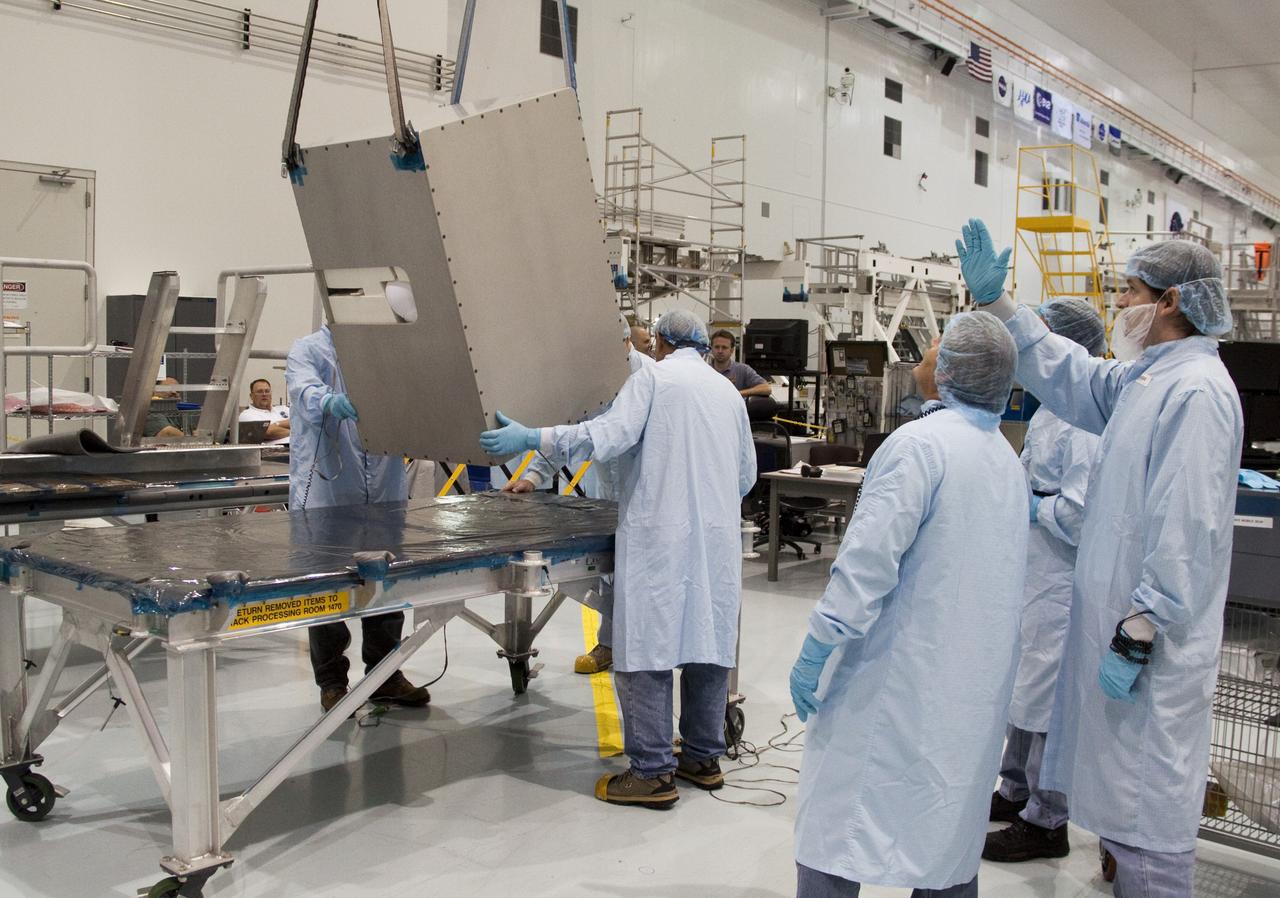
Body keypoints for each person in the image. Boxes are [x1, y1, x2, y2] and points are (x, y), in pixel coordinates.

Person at [956, 220, 1242, 898]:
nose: (1119, 304)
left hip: (1150, 644)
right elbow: (1071, 375)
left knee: (1150, 818)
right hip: (1122, 633)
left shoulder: (1197, 391)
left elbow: (1187, 525)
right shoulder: (1149, 380)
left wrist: (1145, 627)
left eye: (1131, 291)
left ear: (1170, 301)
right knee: (1125, 811)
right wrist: (1001, 307)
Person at [789, 311, 1028, 898]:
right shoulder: (1003, 457)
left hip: (894, 679)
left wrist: (821, 643)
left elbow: (866, 564)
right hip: (967, 688)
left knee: (838, 825)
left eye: (932, 351)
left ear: (948, 374)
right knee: (944, 837)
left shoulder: (918, 446)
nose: (921, 359)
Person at [480, 309, 756, 807]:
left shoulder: (652, 381)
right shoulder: (726, 393)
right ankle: (701, 757)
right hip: (713, 543)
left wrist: (532, 438)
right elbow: (745, 476)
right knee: (707, 644)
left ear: (660, 345)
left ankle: (651, 773)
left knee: (645, 649)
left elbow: (604, 437)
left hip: (658, 539)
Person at [985, 299, 1105, 864]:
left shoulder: (1084, 424)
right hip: (1034, 573)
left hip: (1061, 580)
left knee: (1047, 697)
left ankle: (1047, 819)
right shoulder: (1048, 411)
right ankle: (1014, 791)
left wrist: (1033, 508)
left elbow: (1081, 515)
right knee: (1023, 686)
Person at [286, 326, 430, 713]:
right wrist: (329, 402)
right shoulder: (309, 349)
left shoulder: (385, 354)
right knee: (328, 590)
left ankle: (385, 676)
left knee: (386, 586)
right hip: (328, 492)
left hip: (384, 490)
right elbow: (302, 392)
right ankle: (332, 683)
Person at [503, 320, 655, 674]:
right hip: (605, 497)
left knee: (645, 578)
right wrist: (533, 476)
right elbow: (574, 432)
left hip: (647, 495)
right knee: (608, 575)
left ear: (624, 343)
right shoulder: (592, 381)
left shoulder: (651, 380)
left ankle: (645, 653)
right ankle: (611, 644)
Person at [708, 329, 772, 398]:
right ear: (711, 349)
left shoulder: (743, 370)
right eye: (717, 347)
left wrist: (738, 394)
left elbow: (766, 388)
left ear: (732, 350)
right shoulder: (704, 370)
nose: (720, 351)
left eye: (724, 347)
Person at [239, 378, 291, 442]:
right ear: (251, 396)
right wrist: (296, 432)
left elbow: (301, 423)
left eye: (267, 391)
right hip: (275, 450)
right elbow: (268, 432)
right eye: (259, 391)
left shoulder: (284, 409)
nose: (264, 394)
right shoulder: (246, 415)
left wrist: (277, 424)